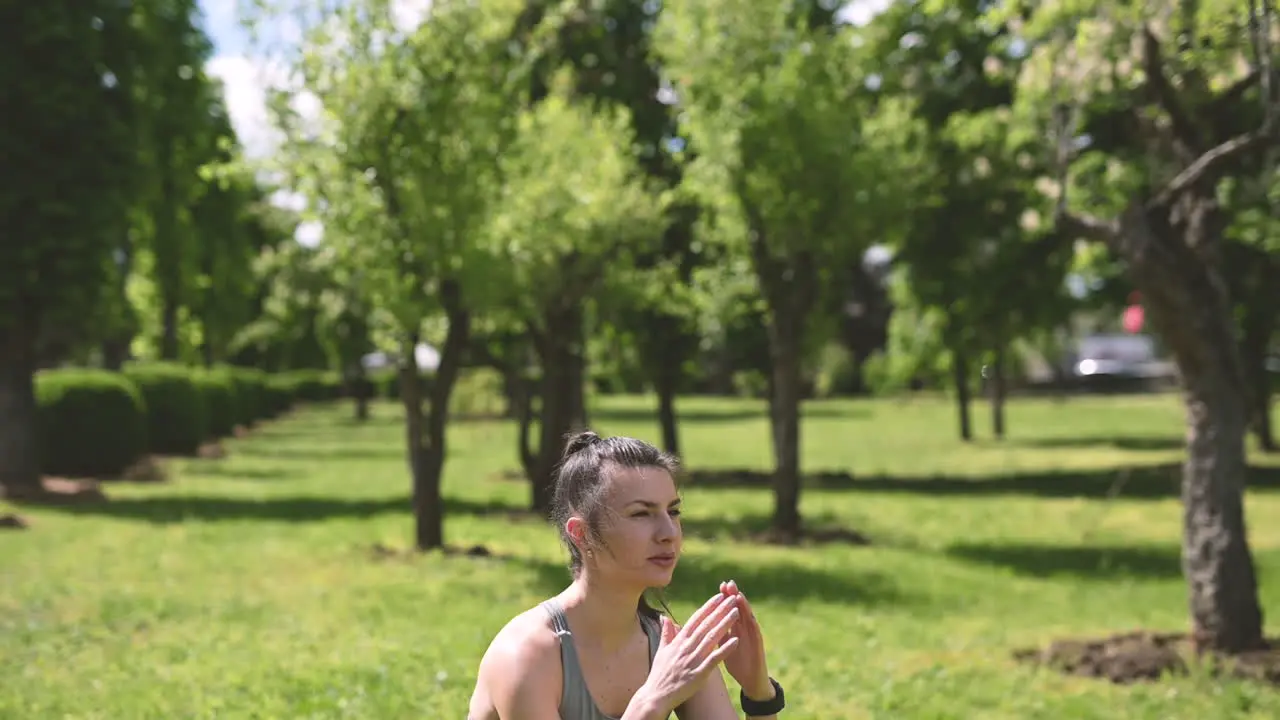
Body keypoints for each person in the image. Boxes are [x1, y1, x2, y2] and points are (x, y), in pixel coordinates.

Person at [467, 431, 787, 720]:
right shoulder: (527, 655)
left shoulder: (669, 647)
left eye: (673, 511)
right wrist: (651, 702)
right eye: (641, 514)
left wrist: (759, 695)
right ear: (583, 534)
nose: (668, 532)